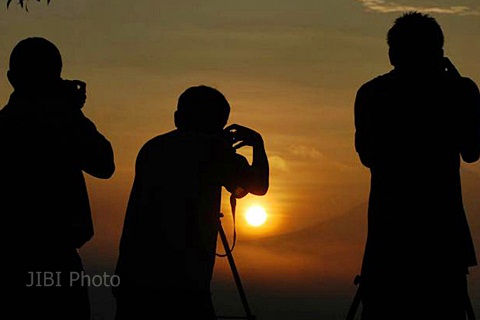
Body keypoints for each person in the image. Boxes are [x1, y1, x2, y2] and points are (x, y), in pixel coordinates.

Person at [353, 12, 479, 320]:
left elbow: (367, 155)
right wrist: (462, 91)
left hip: (389, 234)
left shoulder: (372, 93)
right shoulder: (458, 91)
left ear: (393, 53)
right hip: (442, 238)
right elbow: (473, 151)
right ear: (438, 52)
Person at [113, 85, 269, 319]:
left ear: (178, 118)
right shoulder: (213, 150)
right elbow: (258, 186)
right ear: (220, 123)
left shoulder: (152, 147)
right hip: (185, 280)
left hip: (135, 273)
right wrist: (257, 143)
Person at [0, 37, 115, 319]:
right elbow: (104, 164)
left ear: (11, 78)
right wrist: (72, 110)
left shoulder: (5, 124)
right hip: (55, 258)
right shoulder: (62, 120)